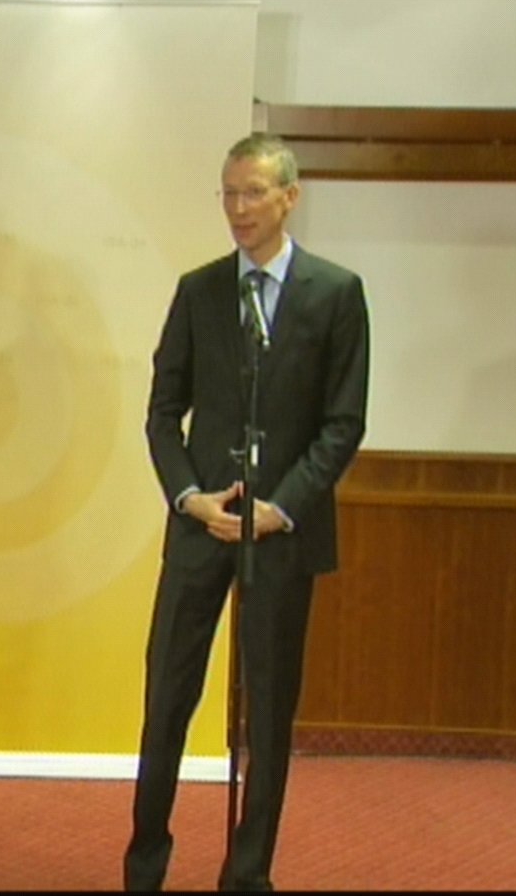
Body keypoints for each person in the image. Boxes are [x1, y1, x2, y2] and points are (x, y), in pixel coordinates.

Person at [124, 133, 370, 891]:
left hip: (281, 535)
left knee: (268, 711)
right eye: (228, 193)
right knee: (167, 697)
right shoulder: (199, 291)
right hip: (202, 525)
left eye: (253, 193)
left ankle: (248, 872)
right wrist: (190, 496)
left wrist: (282, 506)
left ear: (289, 197)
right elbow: (162, 413)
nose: (238, 208)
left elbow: (342, 423)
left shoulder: (335, 293)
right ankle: (144, 862)